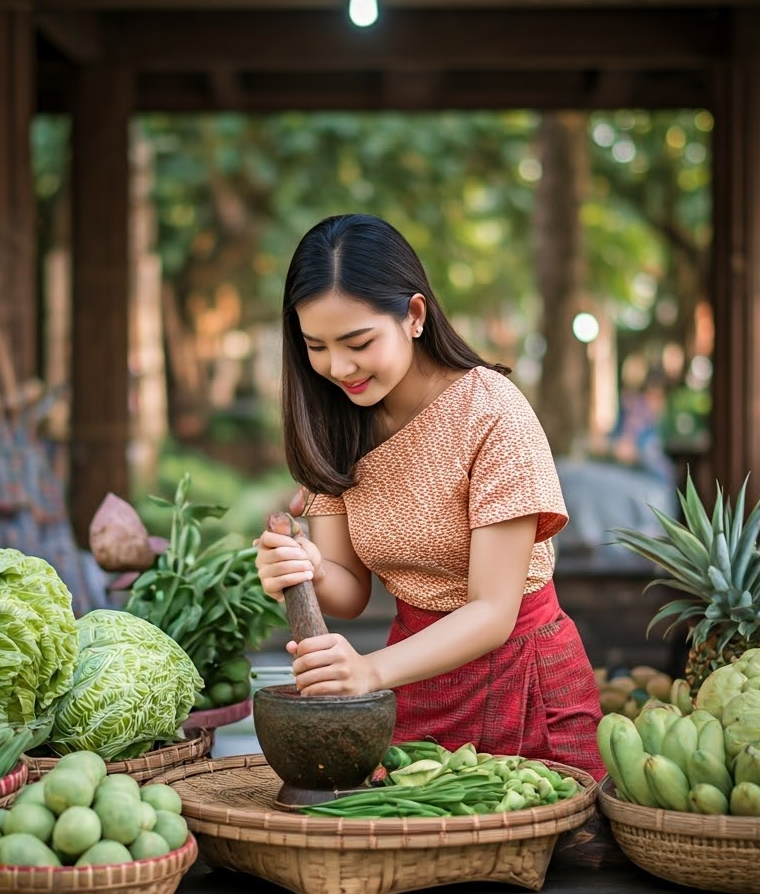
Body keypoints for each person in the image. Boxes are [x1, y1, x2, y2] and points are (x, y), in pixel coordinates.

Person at [253, 213, 606, 781]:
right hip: (411, 684)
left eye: (358, 342)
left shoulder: (491, 412)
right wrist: (309, 569)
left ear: (414, 316)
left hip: (522, 680)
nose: (337, 368)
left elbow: (493, 612)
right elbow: (349, 592)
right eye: (315, 346)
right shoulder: (333, 423)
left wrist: (366, 673)